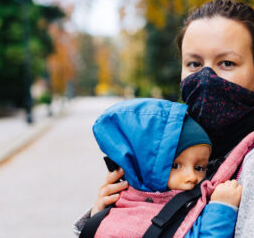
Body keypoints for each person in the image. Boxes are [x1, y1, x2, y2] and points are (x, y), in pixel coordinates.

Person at [76, 0, 254, 237]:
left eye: (226, 63)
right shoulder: (180, 146)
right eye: (194, 64)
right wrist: (105, 217)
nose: (206, 77)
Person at [76, 98, 242, 237]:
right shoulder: (123, 221)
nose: (192, 177)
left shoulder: (193, 200)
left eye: (200, 168)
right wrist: (222, 209)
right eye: (175, 165)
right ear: (144, 167)